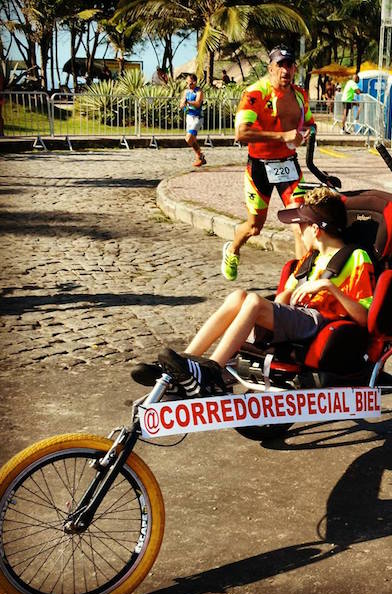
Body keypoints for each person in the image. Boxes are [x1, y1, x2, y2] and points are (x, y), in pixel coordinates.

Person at [132, 188, 375, 397]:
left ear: (316, 229)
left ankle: (213, 372)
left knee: (255, 303)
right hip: (298, 317)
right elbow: (282, 299)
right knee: (238, 296)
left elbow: (365, 317)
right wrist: (287, 297)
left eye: (301, 225)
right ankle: (184, 363)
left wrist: (327, 286)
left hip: (322, 323)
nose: (299, 231)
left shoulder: (355, 258)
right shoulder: (310, 260)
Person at [223, 44, 316, 281]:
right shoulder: (255, 94)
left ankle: (298, 284)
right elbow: (241, 134)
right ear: (270, 68)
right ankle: (232, 249)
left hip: (288, 166)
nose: (286, 70)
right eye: (280, 65)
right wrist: (282, 136)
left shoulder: (300, 95)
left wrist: (305, 134)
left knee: (301, 223)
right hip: (260, 166)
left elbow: (310, 124)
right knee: (255, 227)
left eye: (290, 65)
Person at [179, 73, 206, 168]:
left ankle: (199, 155)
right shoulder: (186, 92)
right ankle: (200, 156)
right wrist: (182, 104)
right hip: (189, 117)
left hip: (197, 118)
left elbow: (198, 103)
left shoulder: (199, 91)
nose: (187, 85)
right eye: (186, 83)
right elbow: (182, 103)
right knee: (191, 140)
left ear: (194, 82)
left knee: (189, 138)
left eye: (189, 83)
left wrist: (188, 102)